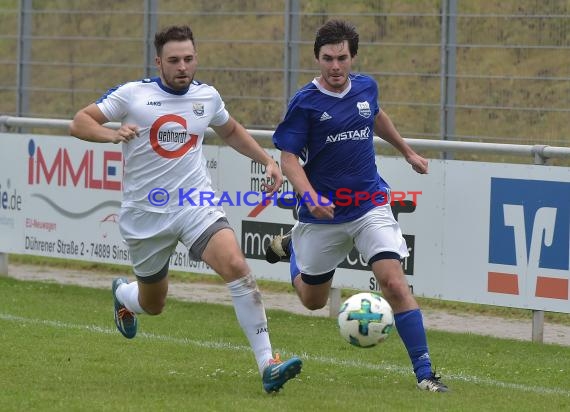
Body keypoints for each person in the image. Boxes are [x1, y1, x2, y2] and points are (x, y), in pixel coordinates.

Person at [69, 24, 301, 394]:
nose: (182, 67)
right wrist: (111, 134)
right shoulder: (133, 95)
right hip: (145, 215)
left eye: (189, 59)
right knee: (154, 303)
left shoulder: (206, 97)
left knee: (238, 268)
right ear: (158, 61)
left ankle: (267, 364)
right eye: (174, 60)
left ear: (196, 59)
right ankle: (124, 296)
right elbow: (80, 121)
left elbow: (230, 130)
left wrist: (267, 160)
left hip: (196, 203)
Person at [265, 19, 448, 392]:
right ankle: (294, 246)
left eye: (342, 58)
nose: (335, 66)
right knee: (312, 300)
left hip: (368, 206)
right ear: (317, 58)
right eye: (328, 58)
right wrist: (311, 196)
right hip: (323, 217)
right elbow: (288, 158)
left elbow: (376, 115)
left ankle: (425, 374)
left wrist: (407, 151)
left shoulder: (366, 87)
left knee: (395, 284)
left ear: (353, 57)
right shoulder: (305, 103)